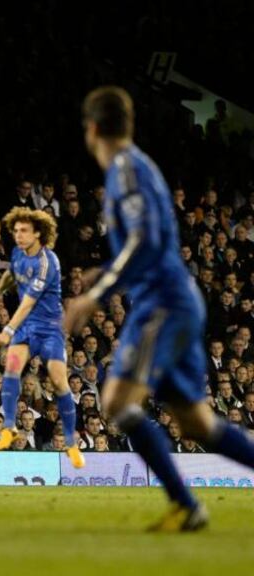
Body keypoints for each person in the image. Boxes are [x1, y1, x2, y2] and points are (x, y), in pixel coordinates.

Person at [65, 86, 254, 532]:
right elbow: (147, 244)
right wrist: (108, 271)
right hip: (176, 300)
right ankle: (187, 507)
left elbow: (145, 240)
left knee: (116, 400)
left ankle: (187, 506)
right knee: (197, 424)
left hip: (163, 305)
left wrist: (97, 293)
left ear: (92, 129)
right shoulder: (137, 168)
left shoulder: (125, 169)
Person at [0, 207, 85, 469]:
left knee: (58, 380)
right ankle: (8, 427)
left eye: (24, 231)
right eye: (16, 230)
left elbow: (29, 302)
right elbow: (13, 273)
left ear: (38, 234)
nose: (18, 235)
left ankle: (70, 442)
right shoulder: (18, 254)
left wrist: (7, 330)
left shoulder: (48, 262)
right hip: (26, 328)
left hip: (49, 328)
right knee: (11, 368)